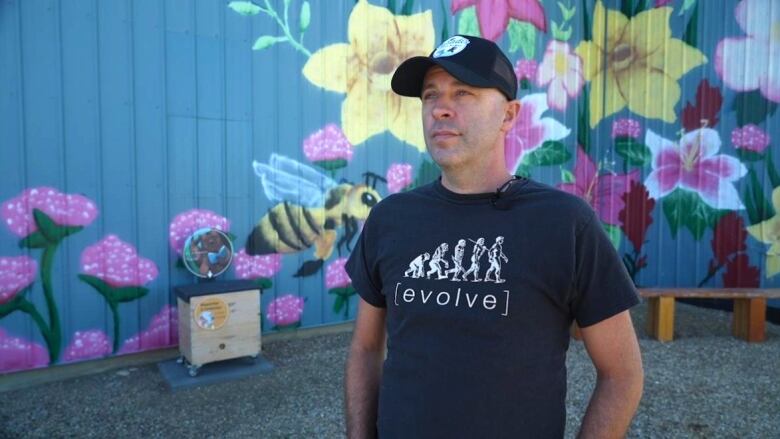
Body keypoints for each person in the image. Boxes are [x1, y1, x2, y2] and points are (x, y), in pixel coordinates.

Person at [344, 35, 643, 439]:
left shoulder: (564, 223)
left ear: (509, 115)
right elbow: (365, 349)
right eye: (430, 95)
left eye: (462, 92)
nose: (441, 108)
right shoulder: (390, 219)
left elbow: (622, 375)